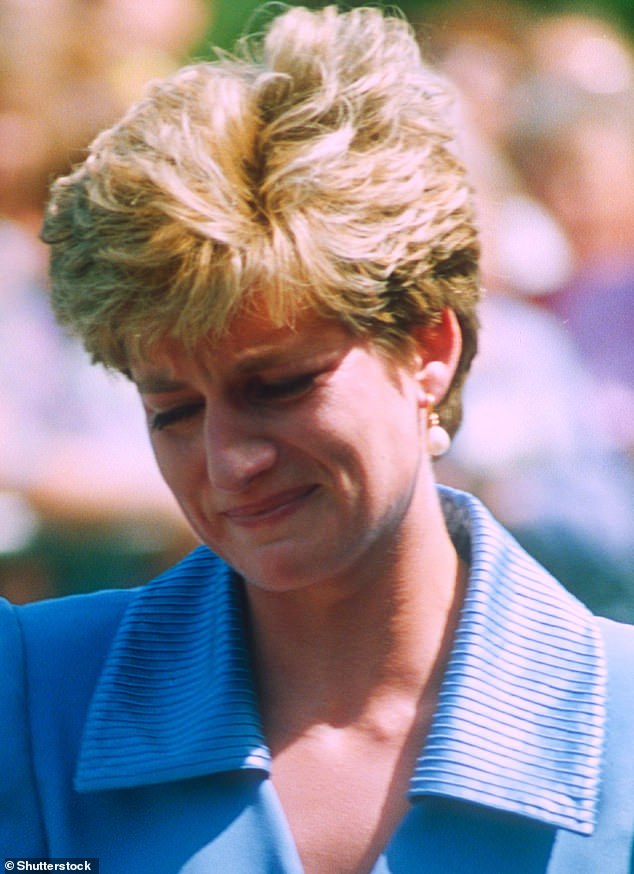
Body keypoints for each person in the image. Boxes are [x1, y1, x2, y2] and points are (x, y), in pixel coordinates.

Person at [2, 6, 633, 872]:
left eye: (281, 385)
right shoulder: (32, 698)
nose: (229, 460)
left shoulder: (618, 727)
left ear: (428, 349)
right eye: (173, 410)